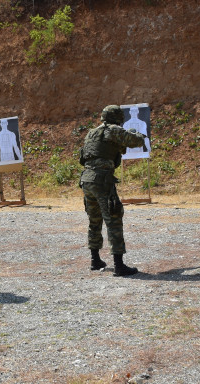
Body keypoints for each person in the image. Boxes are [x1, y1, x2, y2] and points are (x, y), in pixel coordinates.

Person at [79, 105, 148, 276]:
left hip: (87, 179)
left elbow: (83, 157)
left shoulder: (92, 133)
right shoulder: (113, 130)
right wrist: (138, 133)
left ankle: (95, 260)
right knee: (114, 219)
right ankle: (119, 265)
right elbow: (136, 141)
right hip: (102, 180)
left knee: (94, 220)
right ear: (117, 118)